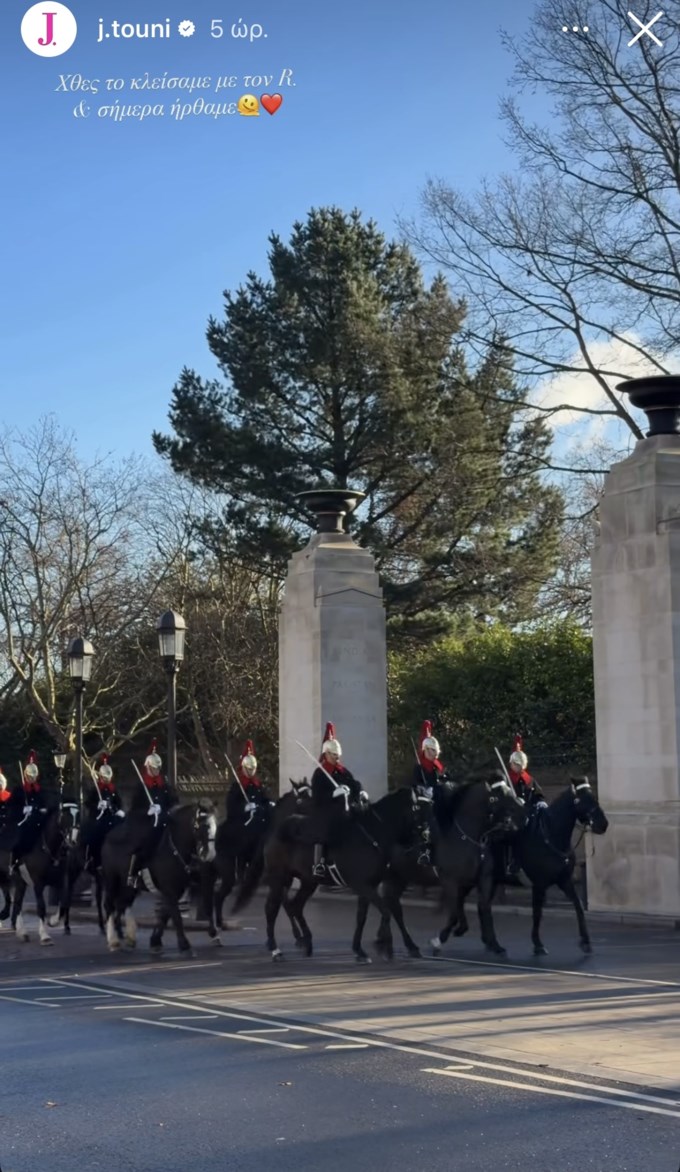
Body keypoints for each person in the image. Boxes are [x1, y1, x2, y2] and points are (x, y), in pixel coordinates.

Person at [309, 722, 367, 879]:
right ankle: (319, 863)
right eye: (334, 755)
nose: (337, 757)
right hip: (327, 810)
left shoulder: (343, 771)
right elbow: (317, 797)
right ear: (326, 754)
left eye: (338, 755)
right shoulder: (320, 773)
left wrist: (361, 791)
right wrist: (333, 794)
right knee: (325, 830)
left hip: (347, 809)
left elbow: (354, 783)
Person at [127, 739, 178, 887]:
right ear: (148, 767)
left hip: (164, 820)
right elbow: (134, 810)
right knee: (144, 843)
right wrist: (147, 812)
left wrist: (164, 810)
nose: (156, 771)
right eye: (154, 768)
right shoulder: (141, 786)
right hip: (146, 823)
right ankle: (134, 874)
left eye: (158, 768)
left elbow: (174, 802)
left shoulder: (165, 785)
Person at [505, 735, 547, 877]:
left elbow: (538, 795)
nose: (513, 766)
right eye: (513, 764)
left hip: (528, 813)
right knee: (515, 834)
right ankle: (514, 862)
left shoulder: (529, 780)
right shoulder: (508, 780)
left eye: (515, 764)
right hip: (512, 815)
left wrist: (540, 803)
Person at [10, 750, 56, 868]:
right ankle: (15, 861)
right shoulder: (19, 791)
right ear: (25, 775)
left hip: (39, 820)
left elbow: (45, 804)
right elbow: (12, 807)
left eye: (33, 776)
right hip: (23, 821)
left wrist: (40, 809)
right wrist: (23, 809)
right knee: (19, 836)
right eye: (29, 776)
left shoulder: (41, 791)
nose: (31, 778)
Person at [82, 753, 125, 872]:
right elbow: (87, 803)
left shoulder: (113, 790)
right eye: (105, 777)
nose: (106, 779)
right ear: (100, 777)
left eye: (108, 777)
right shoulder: (95, 790)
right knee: (93, 836)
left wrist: (115, 809)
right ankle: (92, 859)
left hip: (111, 817)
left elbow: (119, 803)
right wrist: (97, 806)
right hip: (98, 818)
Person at [226, 739, 271, 823]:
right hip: (242, 822)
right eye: (248, 769)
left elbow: (265, 801)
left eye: (252, 769)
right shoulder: (237, 786)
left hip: (258, 821)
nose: (251, 771)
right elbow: (231, 807)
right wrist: (244, 807)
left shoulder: (258, 786)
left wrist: (262, 806)